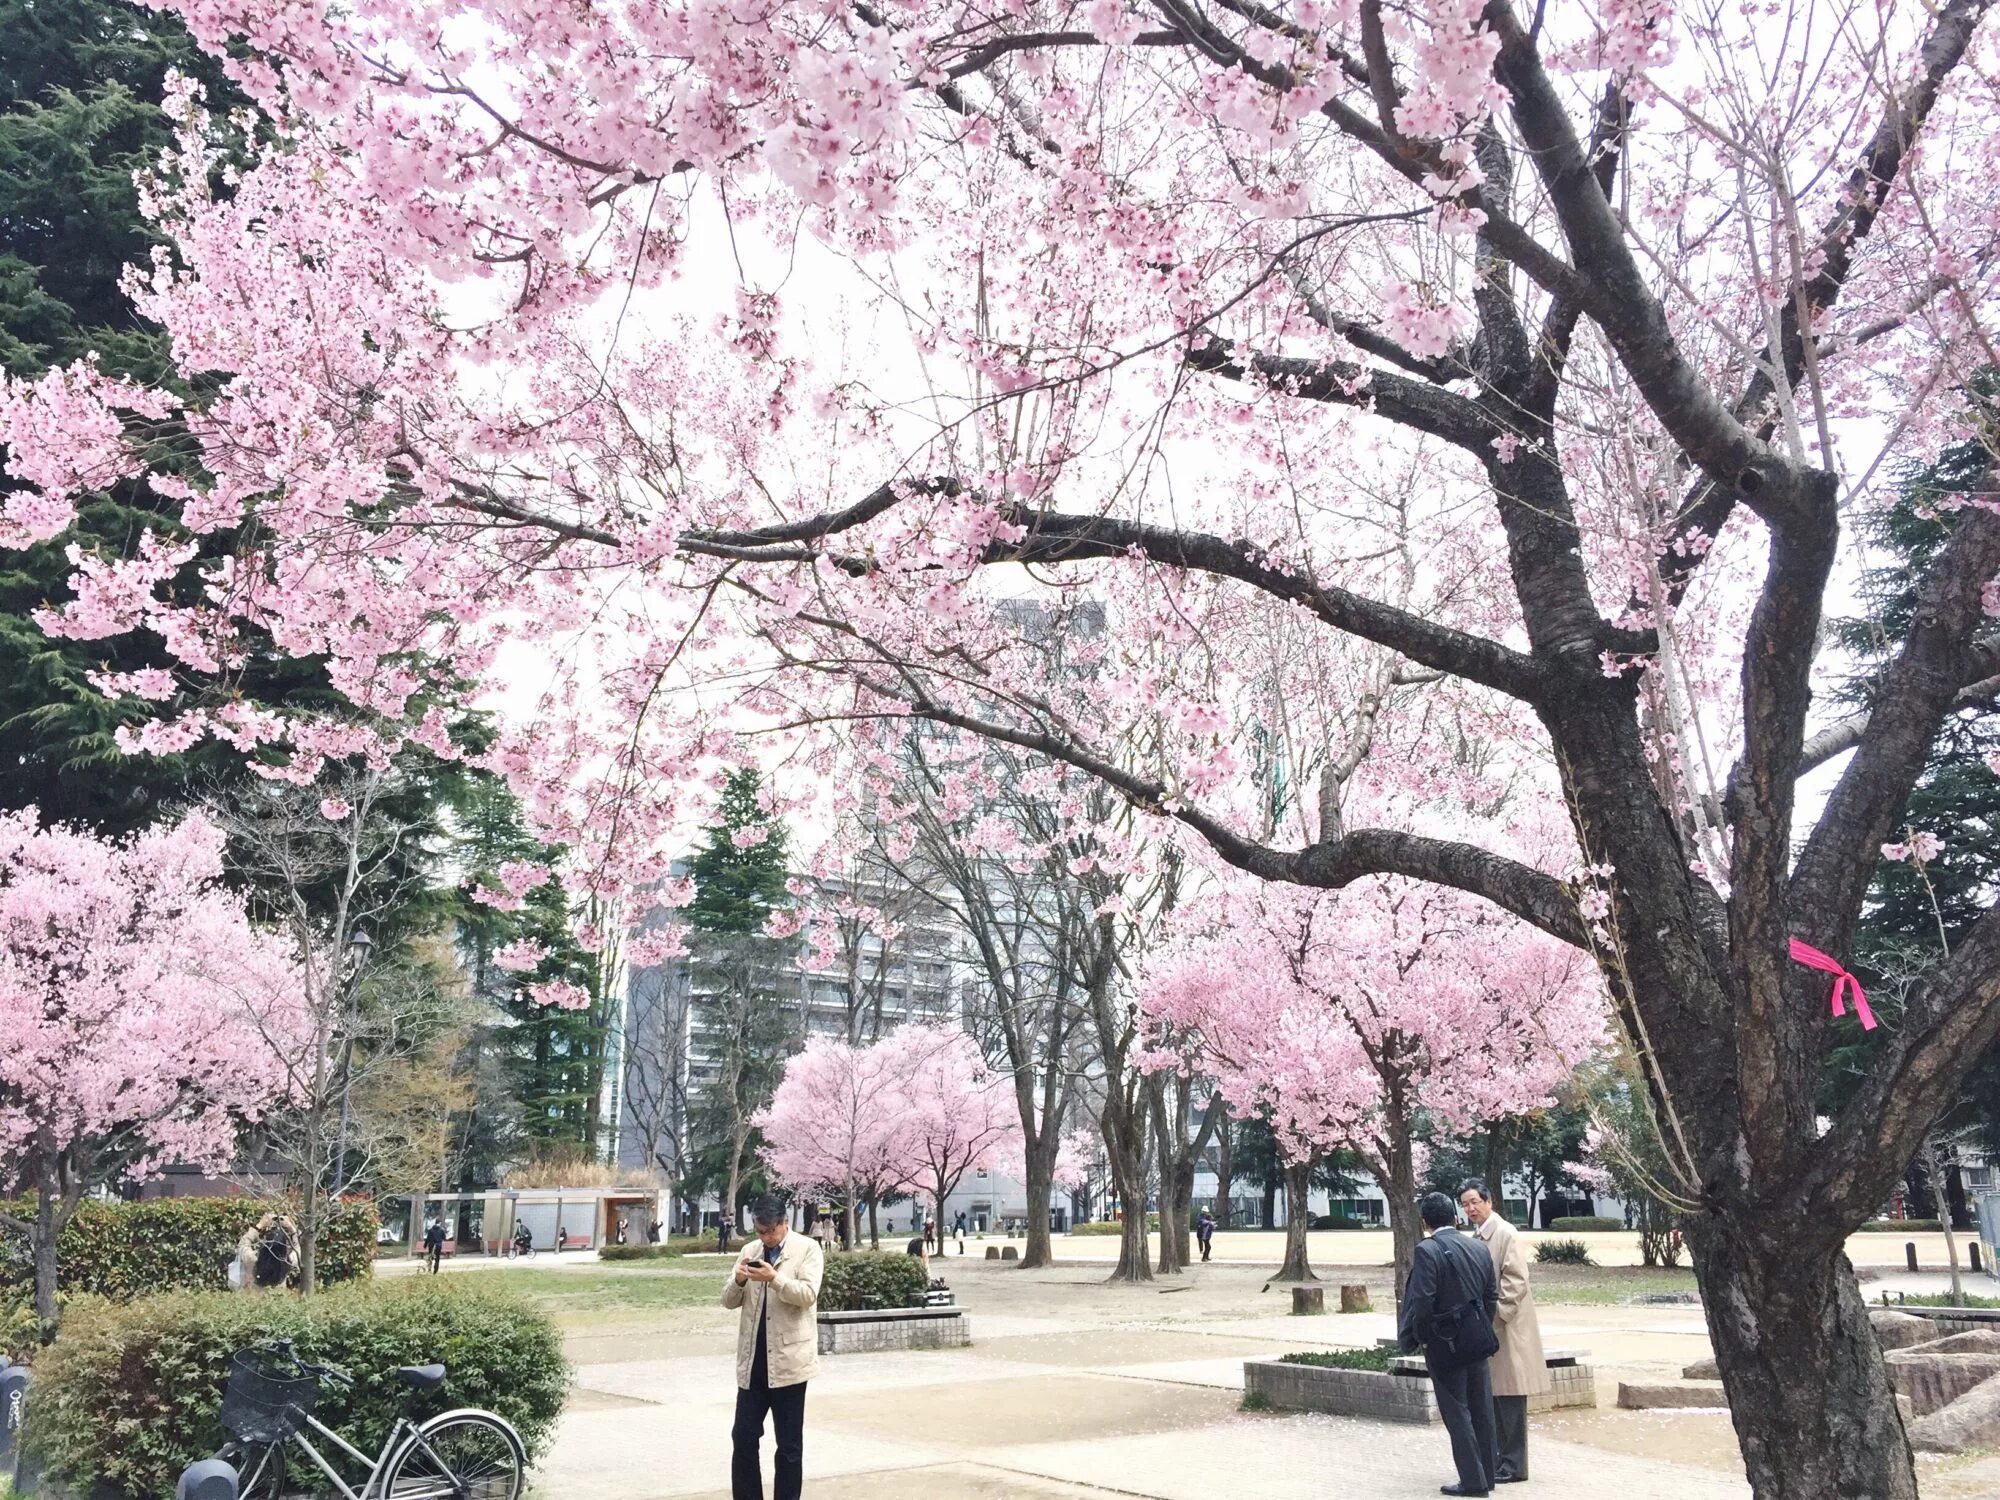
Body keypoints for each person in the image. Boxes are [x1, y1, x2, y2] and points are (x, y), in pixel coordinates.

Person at [1399, 1191, 1500, 1497]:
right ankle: (1488, 1475)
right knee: (1482, 1409)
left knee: (1457, 1412)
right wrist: (1480, 1327)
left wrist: (1422, 1337)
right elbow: (1491, 1295)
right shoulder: (1478, 1247)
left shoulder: (1427, 1250)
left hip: (1445, 1345)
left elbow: (1422, 1301)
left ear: (1425, 1222)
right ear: (1455, 1217)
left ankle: (1473, 1482)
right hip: (1477, 1340)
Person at [722, 1194, 823, 1500]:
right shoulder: (749, 1250)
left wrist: (775, 1278)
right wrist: (739, 1280)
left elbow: (807, 1295)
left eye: (771, 1231)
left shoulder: (807, 1249)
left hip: (790, 1363)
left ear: (785, 1223)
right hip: (753, 1363)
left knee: (789, 1444)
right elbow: (728, 1301)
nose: (765, 1238)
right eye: (760, 1231)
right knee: (743, 1437)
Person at [1461, 1180, 1547, 1485]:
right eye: (1465, 1204)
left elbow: (1516, 1280)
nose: (1470, 1209)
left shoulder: (1505, 1233)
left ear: (1489, 1201)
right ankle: (1501, 1461)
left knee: (1510, 1396)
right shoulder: (1479, 1236)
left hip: (1508, 1329)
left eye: (1475, 1202)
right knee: (1496, 1395)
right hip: (1491, 1329)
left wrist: (1496, 1315)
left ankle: (1514, 1464)